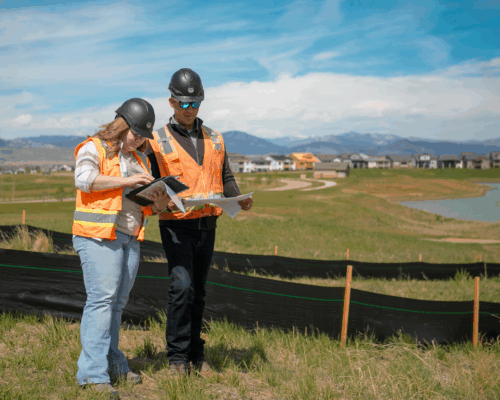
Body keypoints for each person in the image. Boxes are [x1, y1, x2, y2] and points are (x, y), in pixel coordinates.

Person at [145, 68, 253, 376]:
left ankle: (196, 354)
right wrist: (160, 198)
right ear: (171, 102)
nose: (190, 109)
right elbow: (152, 184)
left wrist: (239, 196)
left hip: (209, 225)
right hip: (177, 226)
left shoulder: (215, 138)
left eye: (195, 103)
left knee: (200, 291)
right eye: (184, 103)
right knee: (182, 288)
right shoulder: (157, 140)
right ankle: (177, 359)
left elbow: (226, 178)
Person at [72, 98, 169, 399]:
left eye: (144, 136)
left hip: (130, 236)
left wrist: (161, 199)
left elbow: (146, 204)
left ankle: (114, 363)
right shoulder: (94, 147)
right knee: (101, 302)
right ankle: (92, 374)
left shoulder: (140, 159)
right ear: (122, 124)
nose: (140, 139)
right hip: (99, 236)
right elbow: (84, 179)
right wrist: (126, 181)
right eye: (136, 133)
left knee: (117, 304)